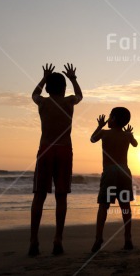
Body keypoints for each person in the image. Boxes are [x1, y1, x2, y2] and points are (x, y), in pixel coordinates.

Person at [29, 63, 83, 256]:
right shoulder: (69, 102)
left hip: (45, 149)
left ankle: (34, 240)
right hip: (64, 150)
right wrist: (73, 78)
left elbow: (34, 94)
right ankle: (58, 238)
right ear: (64, 88)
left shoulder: (43, 103)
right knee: (61, 196)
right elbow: (80, 95)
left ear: (48, 88)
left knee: (39, 196)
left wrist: (44, 77)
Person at [90, 107, 138, 252]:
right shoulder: (126, 136)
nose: (108, 120)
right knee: (125, 206)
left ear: (114, 119)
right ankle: (128, 237)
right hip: (124, 171)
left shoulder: (104, 133)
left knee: (103, 206)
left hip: (110, 172)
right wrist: (129, 135)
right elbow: (135, 144)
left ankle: (98, 237)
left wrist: (99, 125)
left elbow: (92, 139)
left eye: (110, 117)